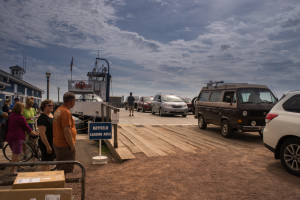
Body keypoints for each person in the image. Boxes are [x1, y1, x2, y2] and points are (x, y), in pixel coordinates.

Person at [6, 102, 37, 175]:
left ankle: (18, 167)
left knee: (15, 153)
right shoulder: (20, 117)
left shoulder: (11, 115)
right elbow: (27, 127)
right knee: (15, 154)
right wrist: (34, 133)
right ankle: (12, 171)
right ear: (20, 109)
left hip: (9, 136)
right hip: (17, 137)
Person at [53, 92, 77, 173]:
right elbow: (66, 131)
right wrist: (72, 145)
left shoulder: (58, 110)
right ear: (71, 102)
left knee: (60, 168)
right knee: (65, 169)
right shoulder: (66, 112)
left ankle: (62, 184)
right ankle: (63, 185)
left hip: (58, 143)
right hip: (65, 146)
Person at [37, 100, 55, 171]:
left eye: (52, 105)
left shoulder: (51, 115)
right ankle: (44, 177)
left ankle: (49, 177)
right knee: (45, 161)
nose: (51, 107)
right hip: (46, 143)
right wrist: (48, 146)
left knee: (50, 161)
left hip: (52, 141)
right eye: (49, 105)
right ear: (44, 107)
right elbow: (42, 134)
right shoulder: (42, 118)